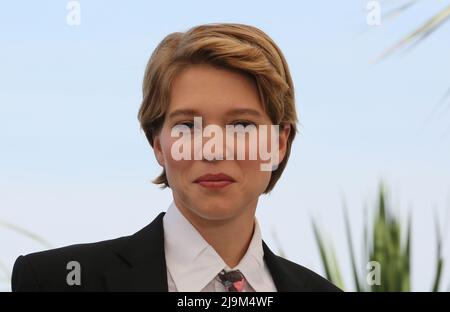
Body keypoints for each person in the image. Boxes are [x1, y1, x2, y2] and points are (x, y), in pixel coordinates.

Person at [12, 23, 341, 292]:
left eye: (241, 125)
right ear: (157, 143)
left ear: (279, 143)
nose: (213, 149)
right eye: (187, 126)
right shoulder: (52, 281)